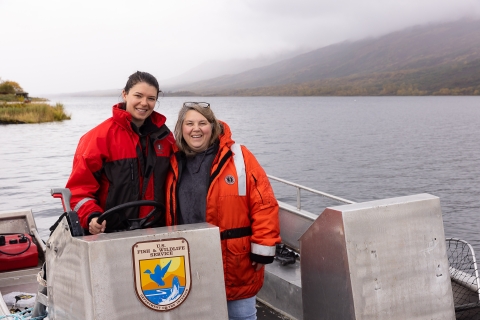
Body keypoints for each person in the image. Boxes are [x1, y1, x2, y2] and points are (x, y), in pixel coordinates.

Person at [165, 102, 281, 320]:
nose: (196, 129)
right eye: (189, 123)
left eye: (202, 123)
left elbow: (264, 203)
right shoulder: (172, 160)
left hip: (234, 260)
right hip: (187, 259)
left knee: (242, 316)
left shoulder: (239, 156)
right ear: (181, 128)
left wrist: (263, 246)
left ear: (213, 126)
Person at [65, 71, 174, 234]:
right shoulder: (97, 138)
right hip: (109, 235)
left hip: (157, 235)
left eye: (151, 98)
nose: (144, 103)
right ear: (125, 94)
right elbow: (79, 191)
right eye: (138, 95)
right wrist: (92, 217)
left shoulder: (166, 138)